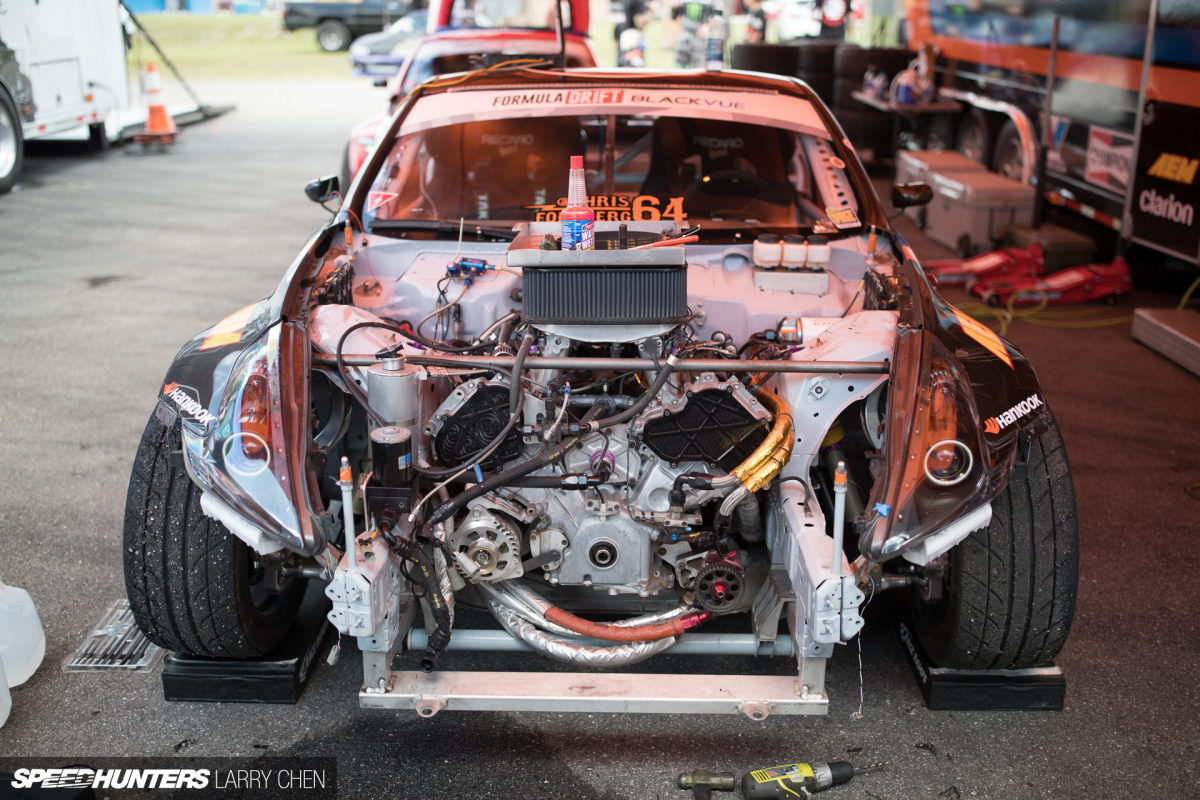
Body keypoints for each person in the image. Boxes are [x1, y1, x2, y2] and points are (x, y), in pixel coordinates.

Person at [672, 0, 712, 68]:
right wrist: (674, 7)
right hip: (685, 34)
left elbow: (719, 14)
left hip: (700, 37)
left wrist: (708, 25)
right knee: (679, 64)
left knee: (698, 65)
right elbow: (674, 15)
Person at [617, 0, 656, 67]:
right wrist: (651, 11)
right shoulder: (638, 1)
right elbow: (638, 21)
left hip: (626, 34)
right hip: (634, 36)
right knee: (636, 65)